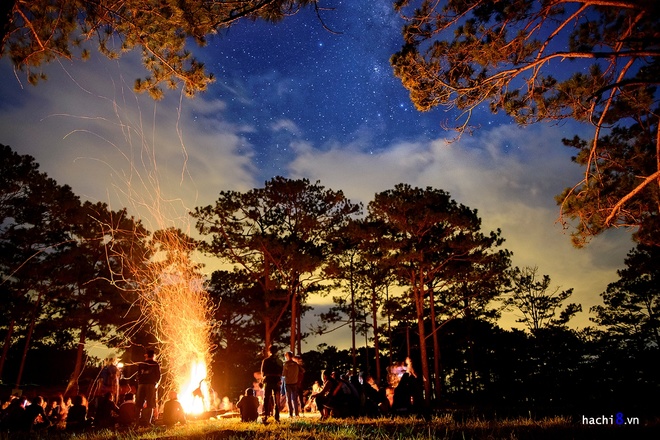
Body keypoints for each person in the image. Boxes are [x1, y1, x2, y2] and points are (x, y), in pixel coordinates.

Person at [135, 349, 161, 426]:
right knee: (150, 403)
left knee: (139, 403)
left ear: (146, 355)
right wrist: (155, 383)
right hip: (150, 385)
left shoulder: (141, 364)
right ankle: (148, 422)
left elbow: (138, 375)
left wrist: (139, 382)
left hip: (141, 385)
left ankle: (137, 422)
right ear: (153, 356)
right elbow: (158, 376)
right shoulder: (155, 364)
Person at [260, 345, 282, 423]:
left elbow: (263, 372)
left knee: (266, 398)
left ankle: (266, 415)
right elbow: (281, 372)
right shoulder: (279, 361)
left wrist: (262, 381)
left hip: (268, 380)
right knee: (277, 399)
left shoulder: (265, 361)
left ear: (269, 351)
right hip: (276, 380)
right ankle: (277, 416)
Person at [282, 351, 300, 418]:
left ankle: (290, 414)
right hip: (294, 382)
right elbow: (300, 371)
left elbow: (283, 374)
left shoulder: (286, 364)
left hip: (288, 383)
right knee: (295, 399)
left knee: (288, 399)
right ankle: (297, 413)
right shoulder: (296, 364)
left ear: (287, 356)